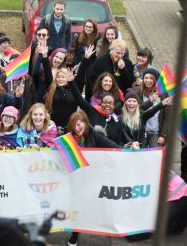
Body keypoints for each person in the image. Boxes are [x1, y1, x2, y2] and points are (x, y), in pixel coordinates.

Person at [66, 110, 120, 246]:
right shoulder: (68, 138)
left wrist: (130, 148)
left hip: (93, 178)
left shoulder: (94, 135)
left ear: (85, 122)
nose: (76, 128)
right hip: (75, 180)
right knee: (76, 208)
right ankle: (75, 234)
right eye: (74, 126)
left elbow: (114, 147)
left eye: (79, 124)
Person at [67, 70, 124, 146]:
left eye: (110, 103)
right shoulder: (93, 111)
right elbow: (79, 99)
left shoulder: (117, 121)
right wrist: (71, 83)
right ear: (101, 103)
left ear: (114, 106)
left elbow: (119, 141)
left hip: (110, 155)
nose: (107, 105)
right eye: (105, 102)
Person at [138, 68, 171, 147]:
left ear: (155, 80)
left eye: (151, 78)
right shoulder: (139, 92)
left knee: (155, 157)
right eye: (146, 78)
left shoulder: (163, 93)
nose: (148, 80)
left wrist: (163, 135)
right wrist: (150, 101)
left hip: (156, 132)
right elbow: (138, 110)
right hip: (143, 131)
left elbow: (167, 116)